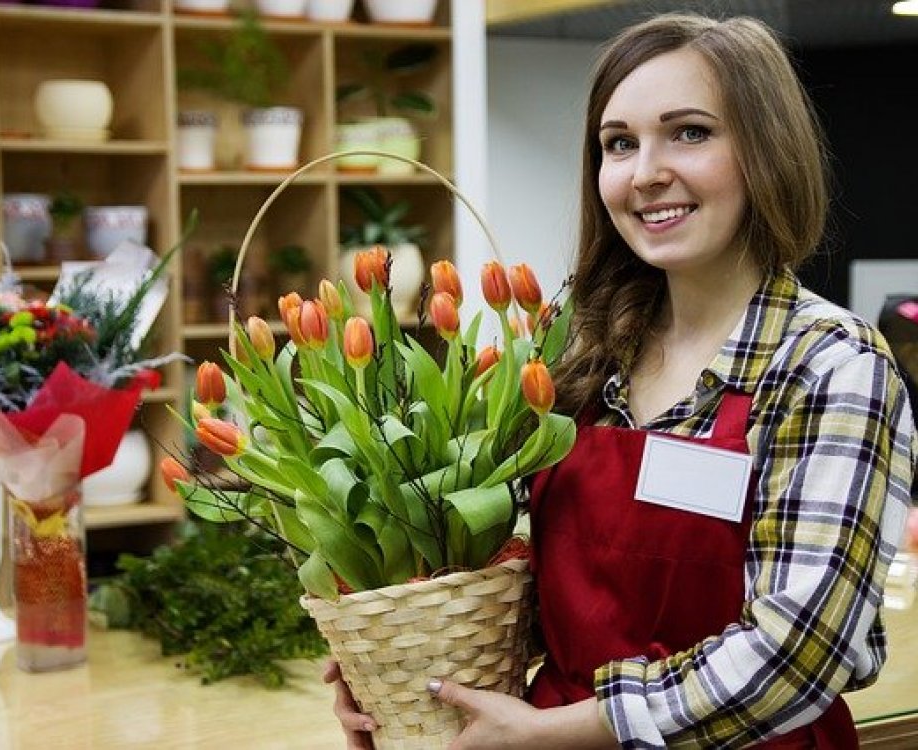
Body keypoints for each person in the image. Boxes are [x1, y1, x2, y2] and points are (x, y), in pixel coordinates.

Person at [325, 12, 917, 749]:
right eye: (619, 144)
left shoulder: (828, 365)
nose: (645, 172)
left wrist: (564, 733)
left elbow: (796, 655)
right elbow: (518, 588)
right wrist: (400, 663)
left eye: (691, 132)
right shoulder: (582, 358)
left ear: (766, 151)